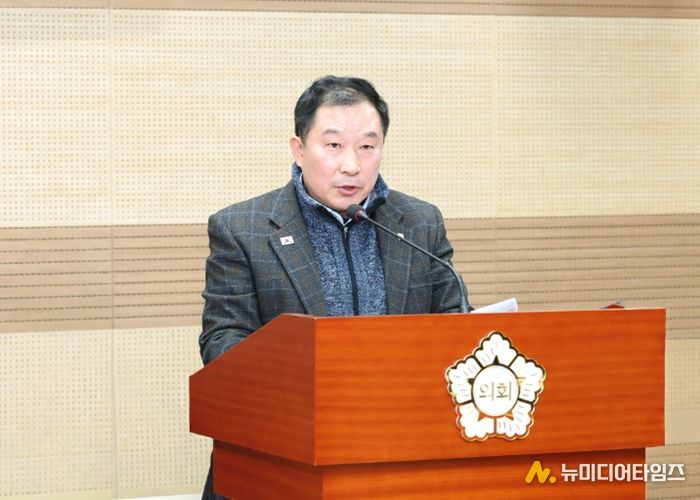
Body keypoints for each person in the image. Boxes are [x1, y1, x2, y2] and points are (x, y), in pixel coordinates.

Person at [199, 75, 472, 499]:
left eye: (367, 147)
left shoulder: (420, 222)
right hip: (283, 456)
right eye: (333, 145)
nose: (352, 165)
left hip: (397, 452)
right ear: (298, 150)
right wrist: (310, 379)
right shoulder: (242, 228)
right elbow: (222, 341)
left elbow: (455, 325)